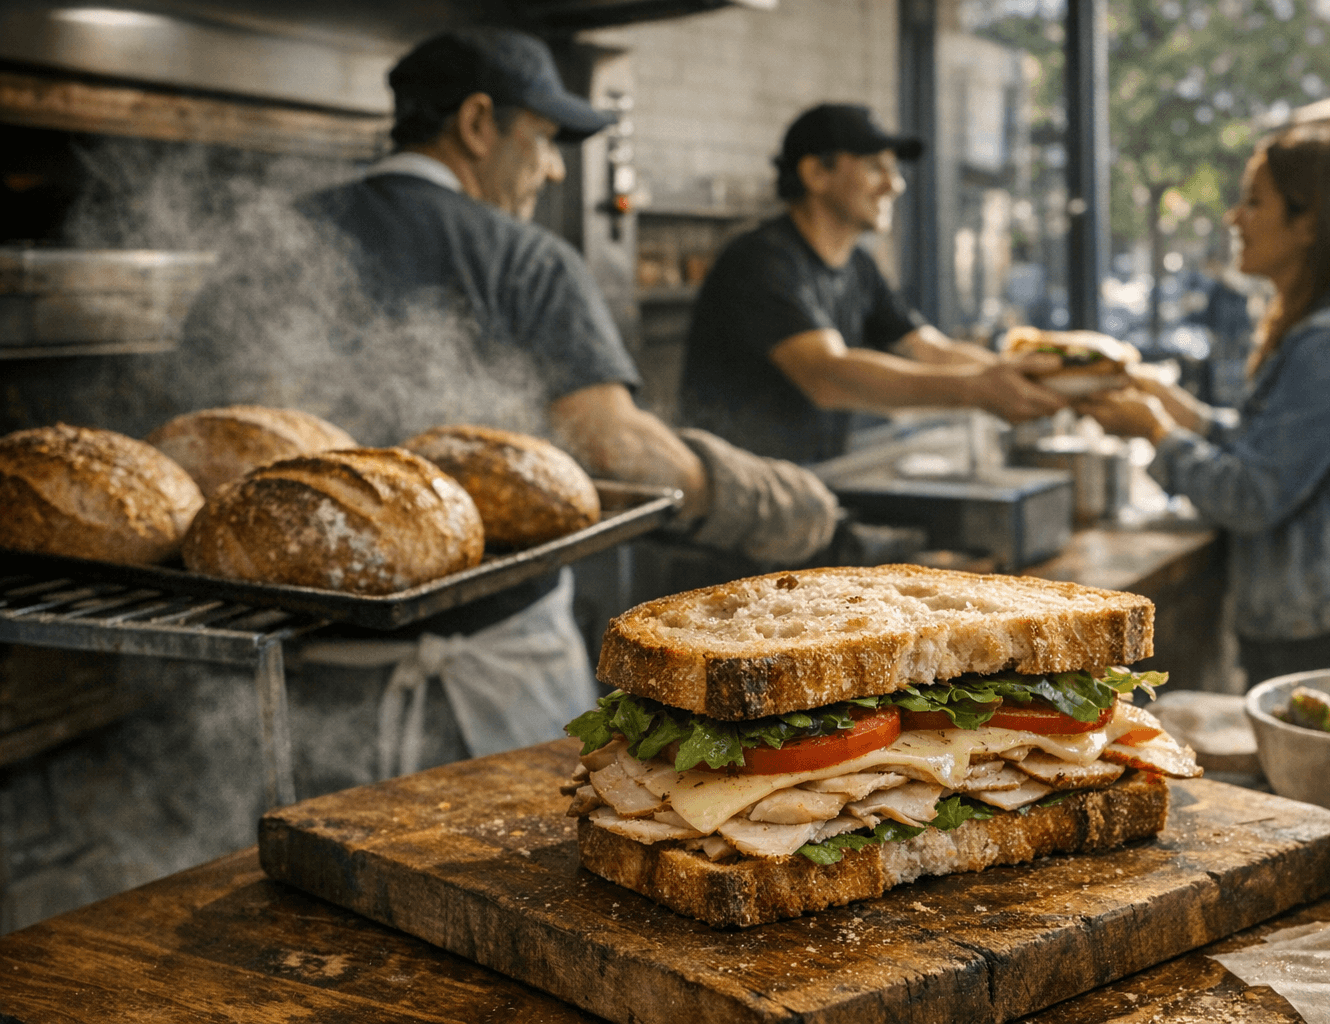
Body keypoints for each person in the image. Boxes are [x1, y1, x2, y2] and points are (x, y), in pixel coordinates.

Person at [182, 29, 840, 779]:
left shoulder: (268, 244)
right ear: (476, 123)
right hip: (488, 690)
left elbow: (202, 447)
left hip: (299, 692)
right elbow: (614, 447)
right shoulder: (525, 259)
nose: (556, 168)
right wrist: (765, 500)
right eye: (545, 138)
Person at [1077, 123, 1330, 685]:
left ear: (1311, 223)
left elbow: (1252, 494)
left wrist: (1155, 433)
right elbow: (1279, 448)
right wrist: (1171, 406)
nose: (1235, 218)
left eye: (1255, 202)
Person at [679, 103, 1068, 464]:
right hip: (732, 492)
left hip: (811, 480)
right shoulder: (761, 260)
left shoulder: (859, 266)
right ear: (816, 174)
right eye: (874, 167)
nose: (894, 184)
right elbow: (827, 375)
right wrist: (976, 390)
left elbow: (927, 349)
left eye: (894, 169)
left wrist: (1035, 380)